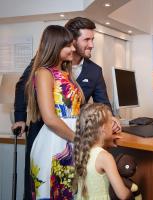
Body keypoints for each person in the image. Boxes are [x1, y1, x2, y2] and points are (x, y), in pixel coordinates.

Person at [11, 17, 121, 200]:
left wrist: (111, 120)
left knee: (70, 190)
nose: (92, 44)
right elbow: (24, 88)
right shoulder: (43, 70)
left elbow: (102, 104)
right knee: (45, 188)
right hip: (52, 136)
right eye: (87, 39)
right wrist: (20, 118)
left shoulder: (74, 71)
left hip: (73, 138)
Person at [26, 25, 84, 199]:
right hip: (54, 143)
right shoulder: (44, 73)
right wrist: (78, 140)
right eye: (68, 45)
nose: (73, 49)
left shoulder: (66, 73)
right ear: (55, 45)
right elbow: (50, 119)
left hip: (72, 140)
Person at [73, 103, 130, 200]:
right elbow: (123, 195)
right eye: (111, 122)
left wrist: (107, 143)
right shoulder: (105, 157)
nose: (113, 126)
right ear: (103, 128)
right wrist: (131, 191)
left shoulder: (82, 151)